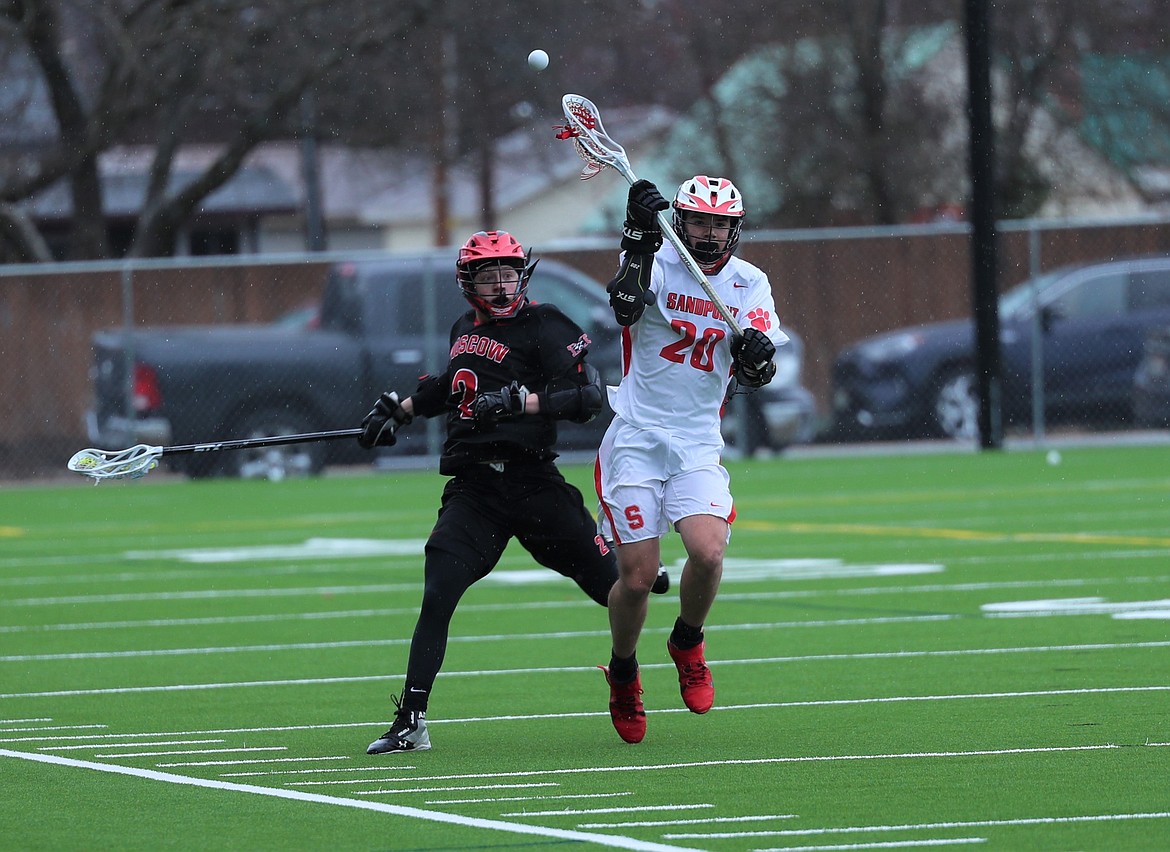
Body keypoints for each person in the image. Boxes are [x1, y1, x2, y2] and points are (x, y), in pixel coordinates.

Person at [358, 230, 667, 755]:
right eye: (488, 275)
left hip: (533, 484)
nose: (501, 286)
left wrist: (518, 404)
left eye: (508, 273)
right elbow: (451, 386)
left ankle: (624, 669)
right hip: (475, 489)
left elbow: (587, 396)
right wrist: (400, 410)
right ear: (468, 281)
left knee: (620, 589)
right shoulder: (463, 328)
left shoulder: (546, 326)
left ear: (522, 274)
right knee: (438, 593)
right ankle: (411, 719)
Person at [596, 175, 786, 743]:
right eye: (698, 221)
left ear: (735, 228)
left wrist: (757, 356)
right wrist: (635, 234)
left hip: (698, 440)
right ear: (680, 221)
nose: (708, 234)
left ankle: (687, 640)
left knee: (708, 551)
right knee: (635, 578)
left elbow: (758, 371)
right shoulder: (656, 261)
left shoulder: (750, 283)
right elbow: (625, 308)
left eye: (719, 224)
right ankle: (625, 672)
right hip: (636, 435)